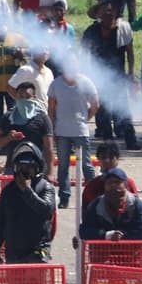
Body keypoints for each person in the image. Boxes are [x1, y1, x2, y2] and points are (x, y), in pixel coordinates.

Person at [0, 142, 57, 264]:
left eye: (28, 168)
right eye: (20, 167)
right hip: (13, 253)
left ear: (37, 168)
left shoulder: (46, 188)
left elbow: (47, 211)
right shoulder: (9, 191)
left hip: (38, 251)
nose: (24, 172)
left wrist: (27, 190)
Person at [81, 0, 139, 148]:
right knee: (103, 110)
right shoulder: (91, 31)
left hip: (118, 75)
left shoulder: (123, 29)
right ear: (98, 14)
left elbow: (130, 53)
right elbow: (83, 53)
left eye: (110, 10)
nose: (107, 13)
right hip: (98, 76)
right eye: (104, 10)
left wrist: (131, 73)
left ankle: (130, 140)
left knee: (123, 109)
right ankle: (108, 143)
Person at [48, 58, 100, 209]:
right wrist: (52, 127)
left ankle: (94, 195)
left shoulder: (86, 82)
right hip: (62, 131)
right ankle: (64, 197)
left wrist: (84, 120)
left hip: (80, 132)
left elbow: (95, 104)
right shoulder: (56, 84)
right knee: (63, 166)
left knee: (87, 165)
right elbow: (51, 108)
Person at [0, 80, 54, 174]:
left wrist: (50, 172)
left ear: (34, 98)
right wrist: (8, 138)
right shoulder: (8, 117)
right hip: (12, 167)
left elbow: (48, 147)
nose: (24, 99)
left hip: (37, 167)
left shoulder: (42, 118)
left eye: (27, 97)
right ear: (15, 97)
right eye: (21, 96)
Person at [79, 168, 142, 241]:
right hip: (102, 251)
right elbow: (84, 231)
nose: (113, 186)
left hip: (132, 251)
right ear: (104, 187)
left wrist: (122, 236)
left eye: (117, 182)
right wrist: (106, 235)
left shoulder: (136, 204)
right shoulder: (96, 204)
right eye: (109, 183)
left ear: (126, 185)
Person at [80, 141, 138, 210]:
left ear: (117, 159)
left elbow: (137, 209)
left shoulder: (128, 183)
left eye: (111, 158)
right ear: (98, 160)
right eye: (103, 158)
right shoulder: (92, 186)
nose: (107, 161)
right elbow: (86, 214)